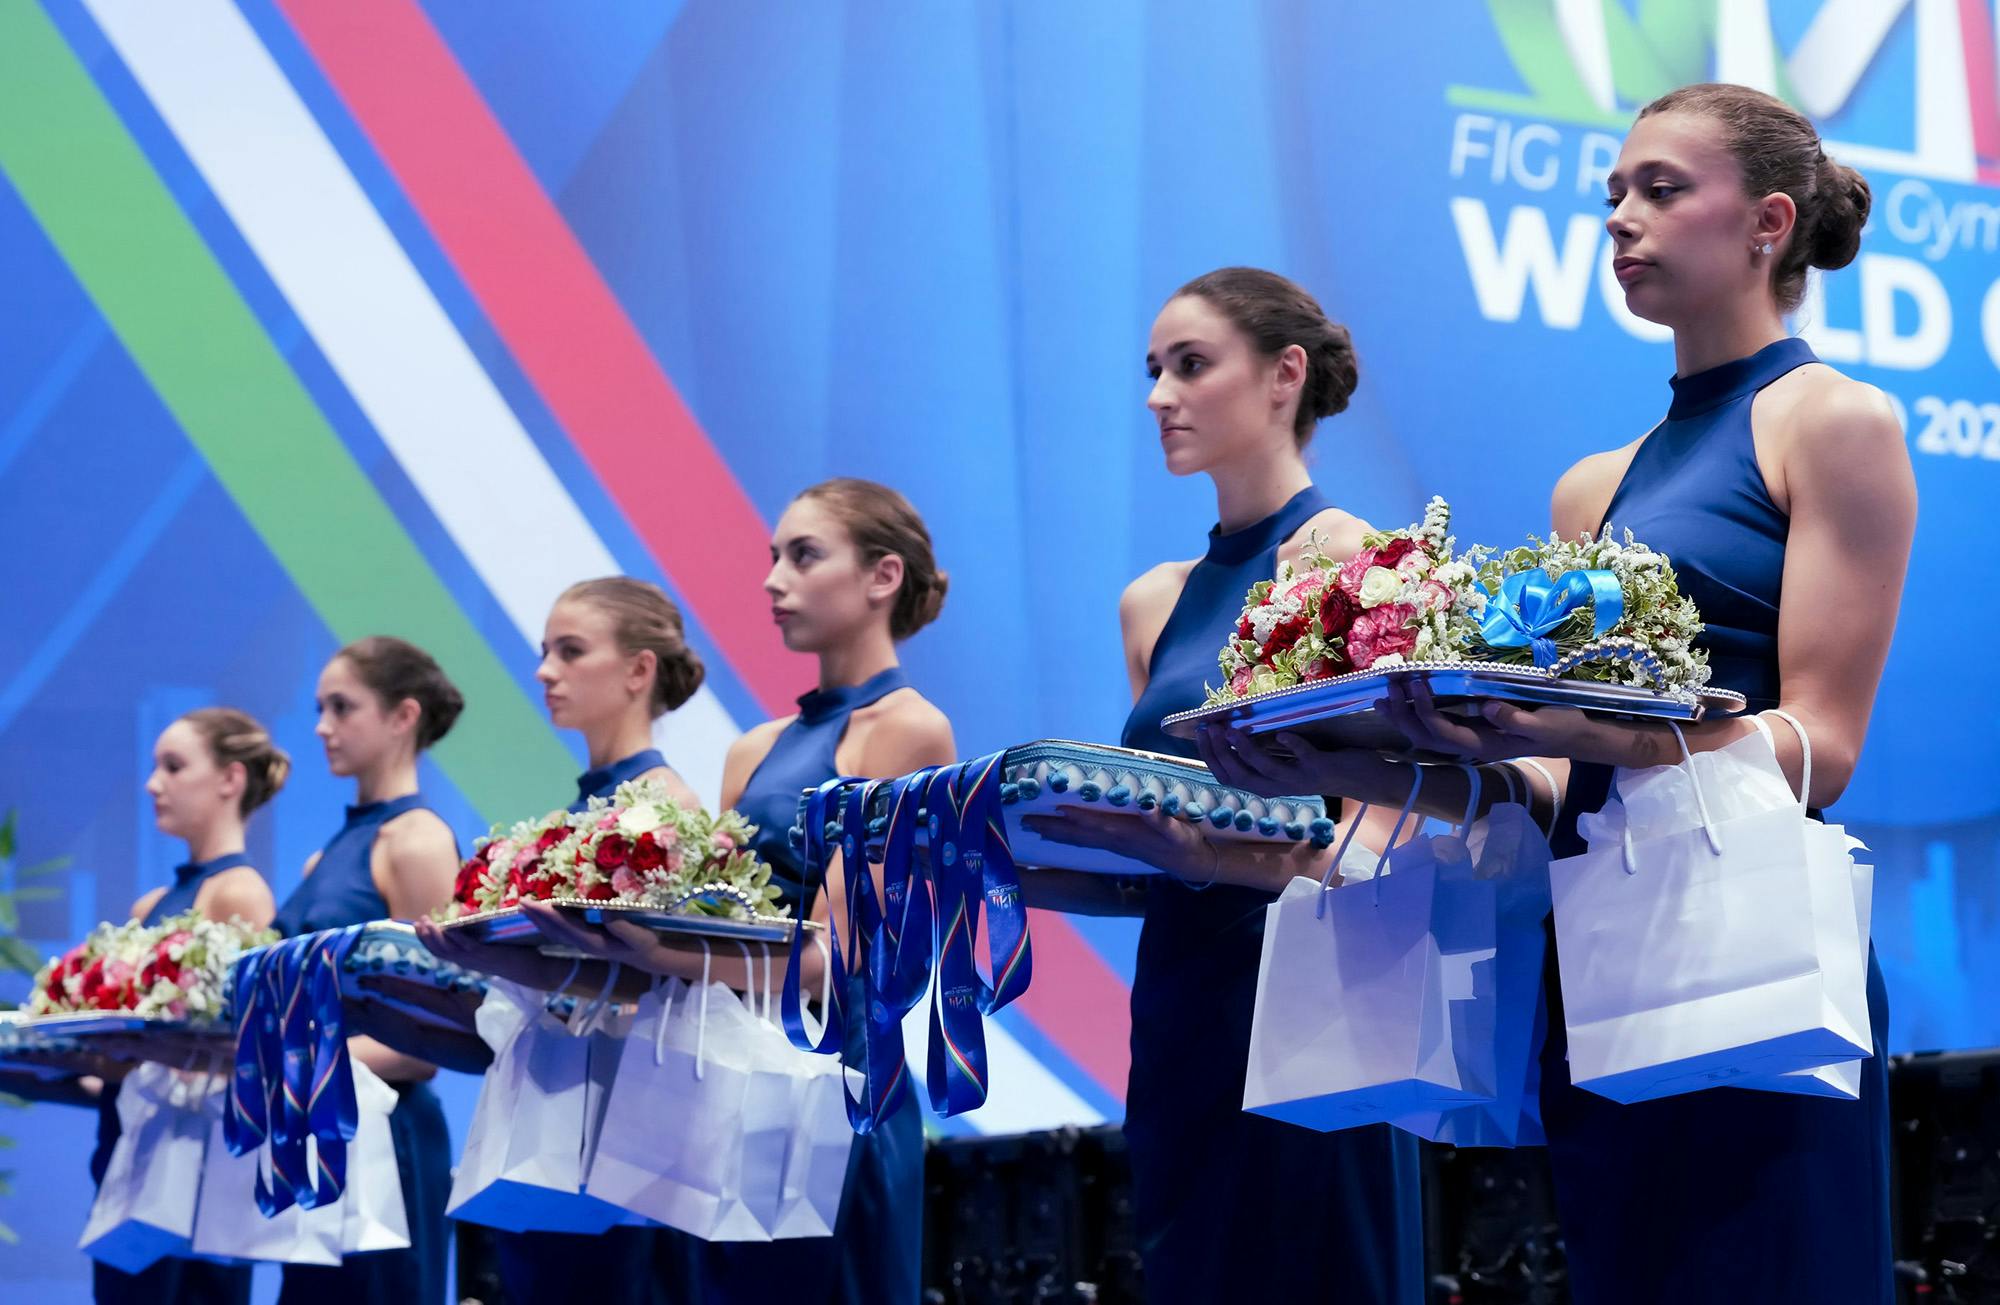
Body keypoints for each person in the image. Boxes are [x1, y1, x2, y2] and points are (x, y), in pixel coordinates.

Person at [1203, 85, 1914, 1303]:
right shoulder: (1591, 487)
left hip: (1750, 962)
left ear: (1767, 222)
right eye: (1609, 197)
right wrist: (1357, 764)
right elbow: (1550, 785)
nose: (1620, 220)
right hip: (1596, 968)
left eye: (1659, 188)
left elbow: (1820, 743)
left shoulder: (1832, 421)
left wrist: (1574, 726)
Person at [428, 479, 955, 1304]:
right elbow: (693, 970)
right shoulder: (752, 749)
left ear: (882, 577)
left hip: (839, 1084)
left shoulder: (908, 727)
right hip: (726, 1089)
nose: (773, 579)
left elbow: (838, 956)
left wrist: (662, 946)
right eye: (773, 556)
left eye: (803, 555)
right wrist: (522, 960)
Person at [1040, 267, 1423, 1304]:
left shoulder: (1352, 558)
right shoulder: (1149, 604)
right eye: (1152, 371)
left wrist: (1209, 855)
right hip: (1180, 1001)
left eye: (1189, 365)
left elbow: (1386, 842)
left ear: (1282, 377)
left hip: (1318, 995)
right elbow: (1156, 848)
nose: (1158, 395)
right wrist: (1031, 857)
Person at [494, 577, 707, 1305]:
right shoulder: (584, 811)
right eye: (544, 651)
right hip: (564, 1104)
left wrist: (505, 956)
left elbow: (665, 984)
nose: (544, 670)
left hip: (628, 1119)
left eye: (569, 650)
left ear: (638, 670)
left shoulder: (664, 807)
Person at [274, 636, 465, 1305]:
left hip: (388, 1136)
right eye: (319, 706)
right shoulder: (324, 856)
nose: (321, 725)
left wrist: (295, 1068)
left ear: (402, 716)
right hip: (321, 1133)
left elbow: (430, 1037)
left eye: (341, 706)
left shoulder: (417, 841)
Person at [89, 708, 286, 1305]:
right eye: (155, 767)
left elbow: (244, 1047)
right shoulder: (150, 905)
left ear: (230, 779)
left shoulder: (239, 893)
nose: (153, 783)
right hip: (131, 1144)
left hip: (193, 1167)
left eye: (173, 767)